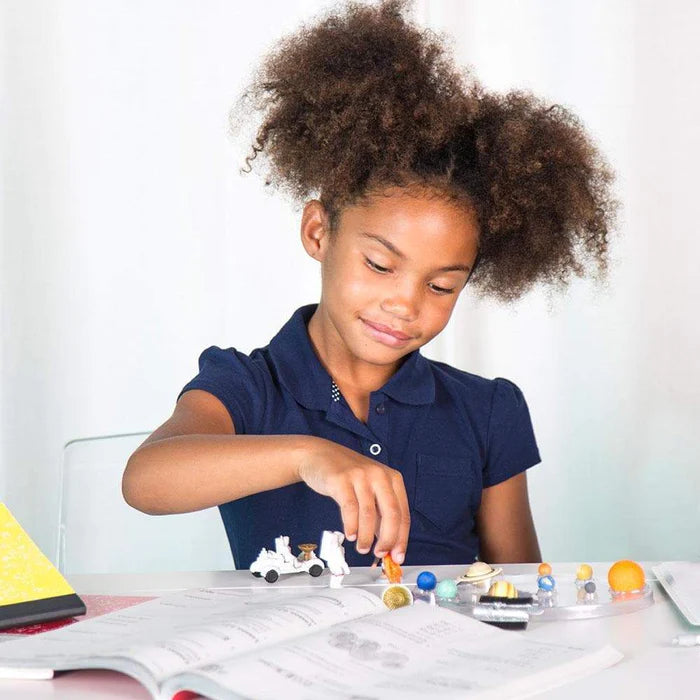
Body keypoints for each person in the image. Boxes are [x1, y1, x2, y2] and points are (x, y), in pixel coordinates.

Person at [122, 0, 616, 570]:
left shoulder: (488, 411)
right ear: (318, 231)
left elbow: (520, 588)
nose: (404, 304)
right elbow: (145, 480)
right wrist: (310, 456)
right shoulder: (248, 387)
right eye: (380, 266)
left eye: (441, 287)